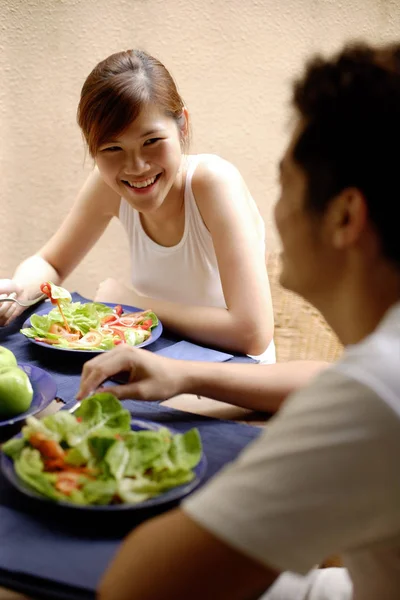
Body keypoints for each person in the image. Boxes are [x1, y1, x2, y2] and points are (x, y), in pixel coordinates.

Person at [79, 41, 400, 600]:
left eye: (285, 182)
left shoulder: (374, 401)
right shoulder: (380, 367)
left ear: (346, 215)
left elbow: (140, 584)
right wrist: (184, 376)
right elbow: (331, 381)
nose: (269, 213)